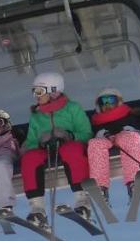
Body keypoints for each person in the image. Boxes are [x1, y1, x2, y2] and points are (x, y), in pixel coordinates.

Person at [19, 71, 92, 226]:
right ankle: (37, 208)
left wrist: (69, 135)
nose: (36, 96)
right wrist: (40, 142)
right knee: (30, 158)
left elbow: (86, 133)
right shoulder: (36, 116)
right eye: (34, 92)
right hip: (46, 150)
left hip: (68, 147)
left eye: (39, 91)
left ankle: (82, 200)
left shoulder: (72, 108)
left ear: (53, 91)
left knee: (71, 150)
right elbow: (30, 141)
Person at [86, 87, 140, 204]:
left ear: (118, 102)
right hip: (106, 139)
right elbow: (93, 133)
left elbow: (138, 129)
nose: (107, 104)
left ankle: (133, 181)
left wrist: (130, 129)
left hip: (123, 136)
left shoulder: (128, 114)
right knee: (95, 144)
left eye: (111, 100)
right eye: (103, 102)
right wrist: (100, 133)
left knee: (129, 138)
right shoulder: (96, 120)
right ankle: (100, 187)